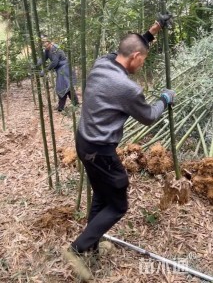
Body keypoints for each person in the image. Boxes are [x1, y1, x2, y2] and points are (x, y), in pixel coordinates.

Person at [63, 14, 175, 281]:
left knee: (102, 196)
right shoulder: (127, 88)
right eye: (143, 58)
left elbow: (128, 46)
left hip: (83, 141)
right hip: (100, 151)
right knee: (118, 203)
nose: (143, 62)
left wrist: (152, 32)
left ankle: (91, 242)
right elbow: (148, 116)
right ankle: (76, 250)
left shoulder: (101, 63)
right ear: (135, 56)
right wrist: (165, 99)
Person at [37, 37, 79, 111]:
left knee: (62, 87)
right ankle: (73, 104)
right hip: (60, 69)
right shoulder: (47, 49)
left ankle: (63, 107)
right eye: (42, 43)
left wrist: (45, 71)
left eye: (44, 43)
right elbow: (43, 58)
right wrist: (37, 64)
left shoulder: (54, 49)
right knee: (67, 87)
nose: (43, 44)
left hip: (64, 69)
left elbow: (54, 62)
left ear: (49, 42)